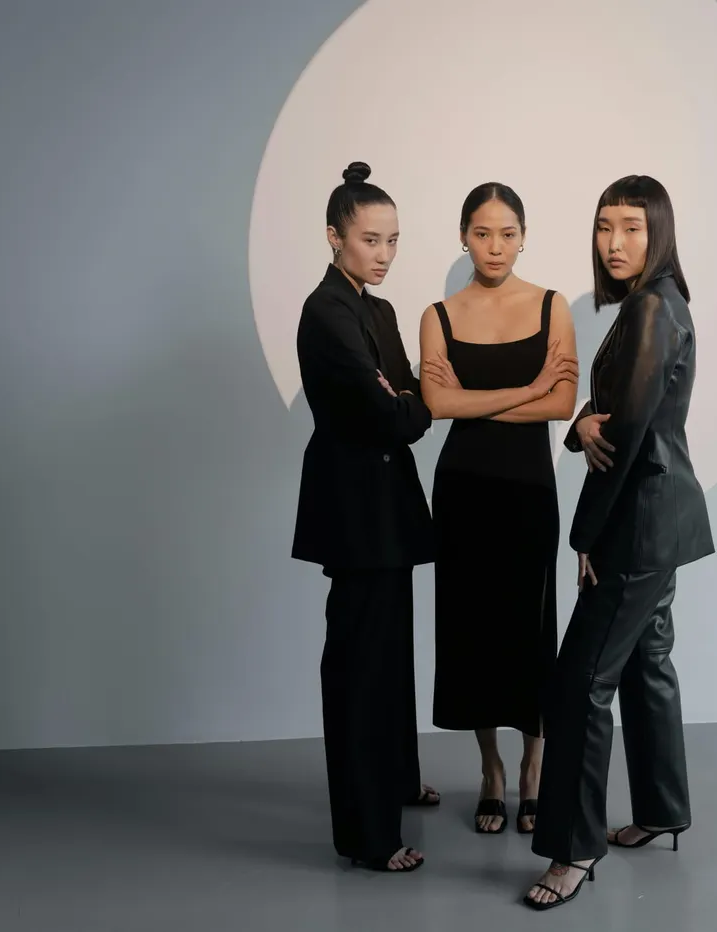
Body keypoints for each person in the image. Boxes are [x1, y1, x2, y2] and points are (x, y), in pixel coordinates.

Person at [523, 175, 715, 910]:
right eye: (605, 226)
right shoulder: (658, 304)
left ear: (658, 231)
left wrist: (584, 533)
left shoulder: (650, 309)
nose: (614, 242)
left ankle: (573, 850)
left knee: (579, 685)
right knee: (646, 664)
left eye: (631, 227)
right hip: (664, 516)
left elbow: (624, 437)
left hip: (637, 523)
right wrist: (580, 425)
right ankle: (664, 809)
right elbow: (610, 419)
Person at [292, 162, 441, 874]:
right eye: (371, 239)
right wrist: (402, 400)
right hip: (353, 510)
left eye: (393, 240)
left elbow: (414, 396)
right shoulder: (325, 311)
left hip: (386, 508)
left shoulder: (376, 311)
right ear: (334, 237)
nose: (384, 253)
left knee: (388, 660)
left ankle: (395, 785)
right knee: (357, 670)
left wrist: (403, 398)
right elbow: (397, 411)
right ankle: (367, 834)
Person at [418, 183, 579, 836]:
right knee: (472, 630)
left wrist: (478, 397)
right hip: (463, 489)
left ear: (524, 236)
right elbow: (434, 406)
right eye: (482, 233)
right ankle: (491, 769)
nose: (495, 246)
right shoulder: (439, 314)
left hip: (529, 489)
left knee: (529, 627)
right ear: (463, 236)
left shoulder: (551, 306)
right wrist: (528, 387)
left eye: (507, 233)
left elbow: (562, 404)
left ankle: (534, 766)